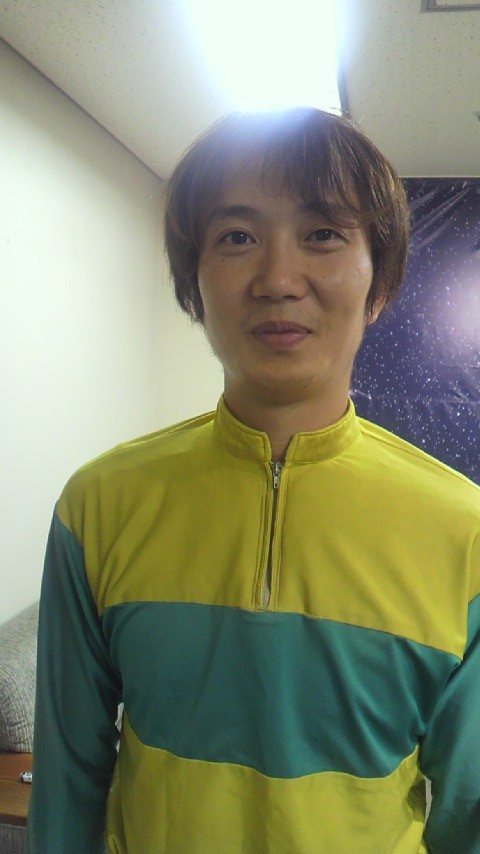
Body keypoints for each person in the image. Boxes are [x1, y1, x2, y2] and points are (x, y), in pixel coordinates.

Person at [27, 108, 480, 853]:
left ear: (380, 282)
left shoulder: (464, 532)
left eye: (322, 234)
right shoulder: (97, 506)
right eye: (237, 237)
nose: (277, 279)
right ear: (194, 281)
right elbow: (67, 785)